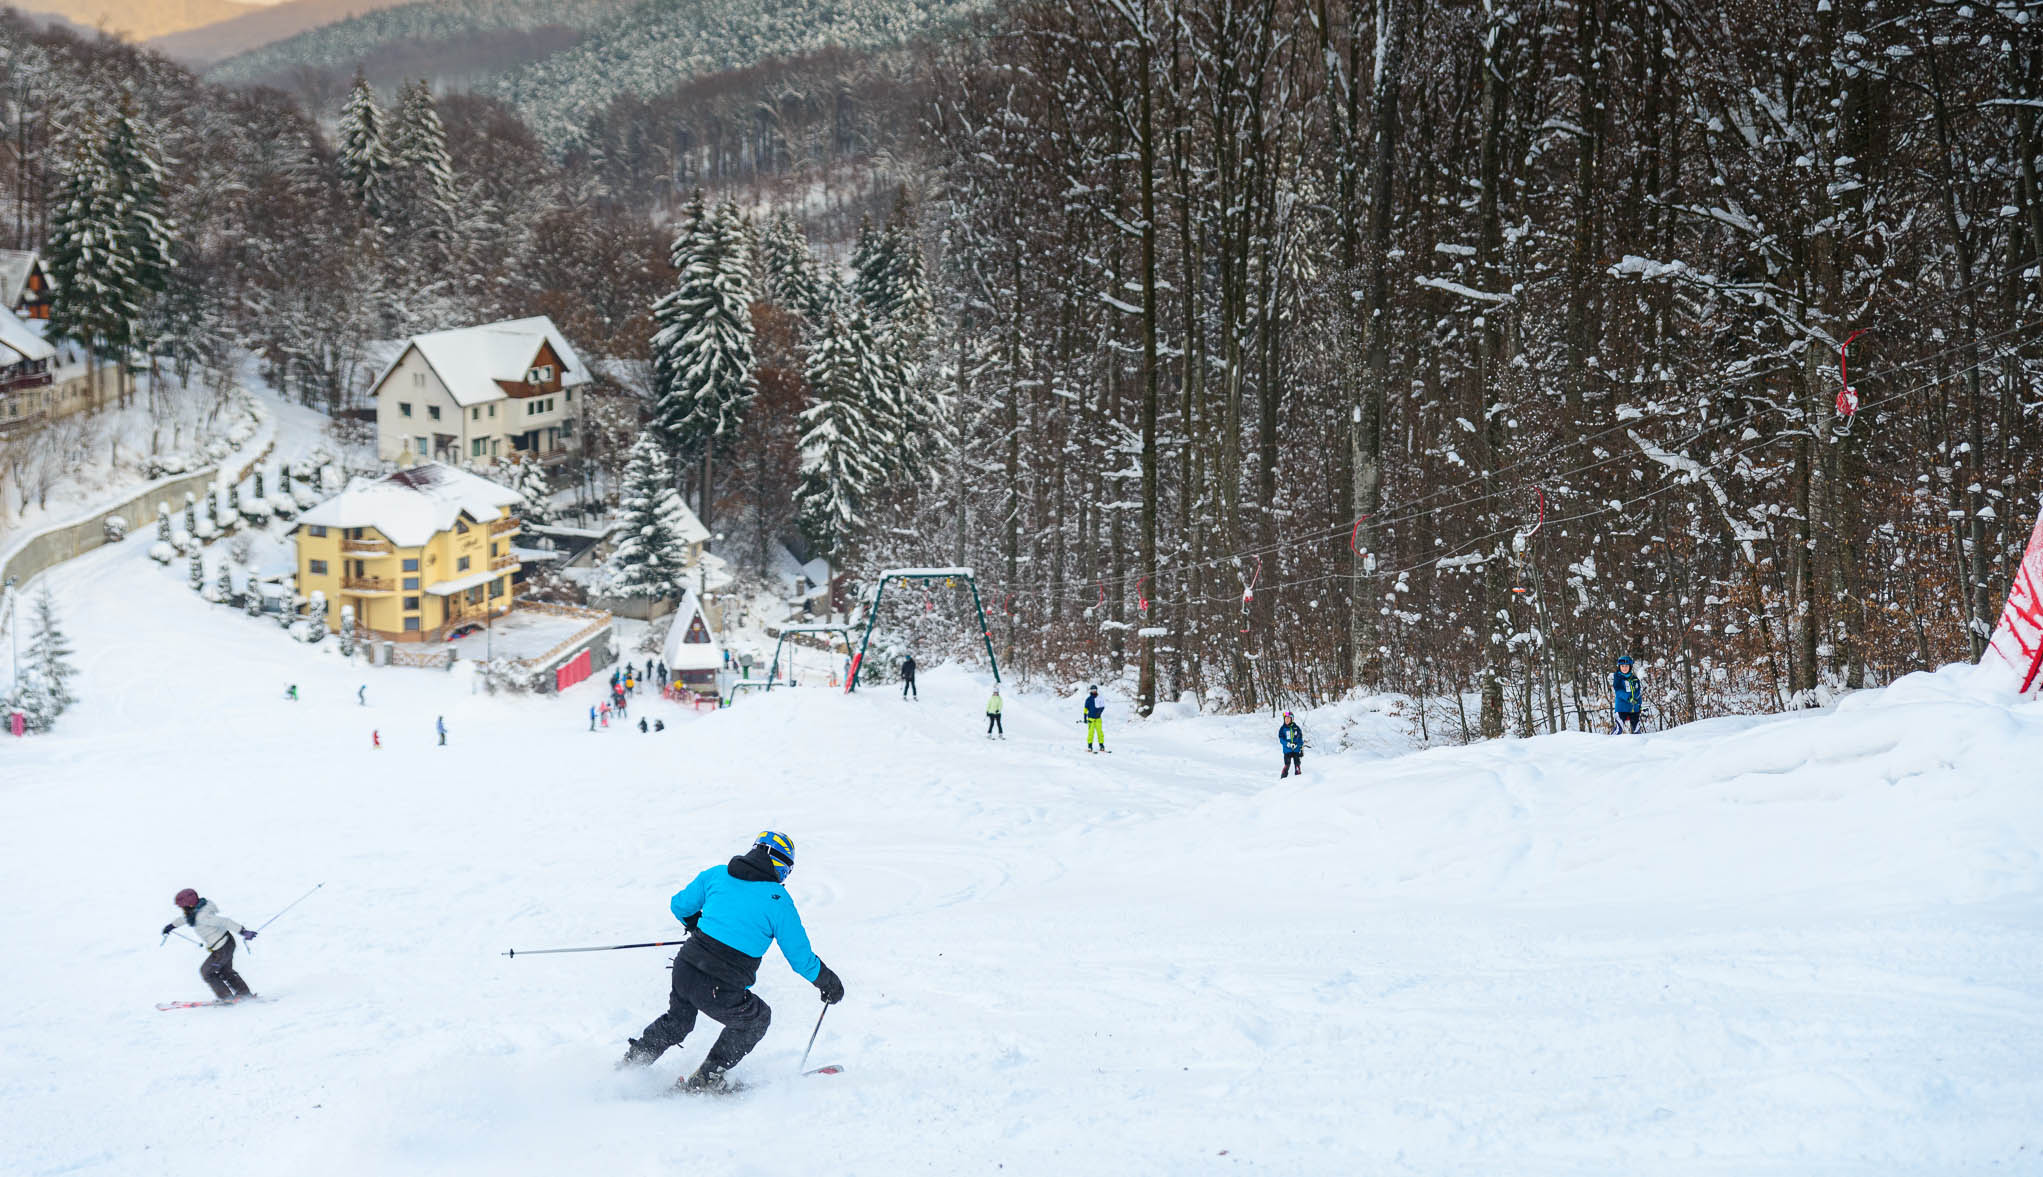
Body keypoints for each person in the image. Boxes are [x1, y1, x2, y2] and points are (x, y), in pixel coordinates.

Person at [620, 832, 844, 1093]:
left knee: (678, 1022)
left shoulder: (716, 874)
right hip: (720, 986)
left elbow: (679, 905)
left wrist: (694, 925)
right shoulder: (778, 900)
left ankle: (628, 1068)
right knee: (757, 1018)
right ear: (779, 863)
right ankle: (706, 1080)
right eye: (788, 870)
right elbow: (799, 958)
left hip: (686, 967)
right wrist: (827, 982)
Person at [161, 888, 256, 1003]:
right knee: (226, 971)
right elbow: (184, 919)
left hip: (222, 947)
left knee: (207, 972)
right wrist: (171, 926)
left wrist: (243, 931)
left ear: (189, 904)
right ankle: (244, 993)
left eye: (182, 906)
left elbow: (225, 922)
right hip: (225, 943)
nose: (182, 908)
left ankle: (226, 997)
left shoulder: (202, 916)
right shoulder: (194, 912)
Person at [1611, 655, 1644, 734]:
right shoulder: (1618, 678)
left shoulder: (1635, 679)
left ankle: (1638, 744)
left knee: (1637, 729)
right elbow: (1618, 691)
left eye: (1626, 666)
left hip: (1634, 709)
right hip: (1621, 708)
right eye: (1622, 666)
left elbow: (1638, 692)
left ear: (1630, 667)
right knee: (1619, 729)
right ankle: (1611, 743)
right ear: (1619, 667)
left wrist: (1640, 705)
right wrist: (1629, 698)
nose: (1624, 668)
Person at [1278, 711, 1304, 778]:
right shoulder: (1282, 728)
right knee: (1287, 764)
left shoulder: (1296, 728)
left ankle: (1298, 776)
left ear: (1292, 719)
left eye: (1288, 719)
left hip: (1296, 750)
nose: (1286, 720)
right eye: (1285, 719)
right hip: (1287, 750)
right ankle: (1283, 777)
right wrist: (1287, 744)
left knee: (1297, 764)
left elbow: (1300, 739)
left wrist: (1299, 746)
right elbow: (1281, 739)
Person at [1082, 686, 1106, 753]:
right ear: (1090, 691)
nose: (1094, 691)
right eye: (1092, 690)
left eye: (1095, 690)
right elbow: (1085, 709)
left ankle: (1101, 745)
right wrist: (1085, 717)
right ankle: (1090, 746)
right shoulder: (1088, 699)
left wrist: (1099, 712)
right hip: (1091, 719)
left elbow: (1103, 707)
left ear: (1096, 690)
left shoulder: (1099, 698)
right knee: (1090, 733)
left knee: (1100, 732)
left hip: (1098, 719)